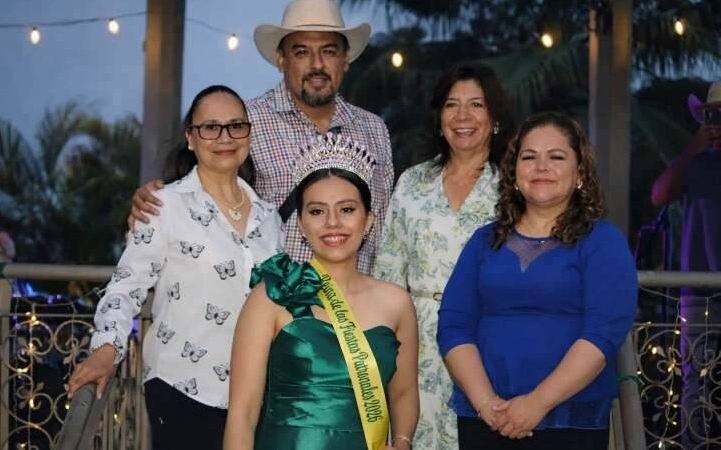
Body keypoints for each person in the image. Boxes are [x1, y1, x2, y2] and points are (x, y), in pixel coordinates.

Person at [67, 85, 283, 450]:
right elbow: (126, 286)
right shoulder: (164, 206)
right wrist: (106, 348)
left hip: (255, 396)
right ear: (190, 138)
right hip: (182, 386)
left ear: (249, 133)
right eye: (210, 127)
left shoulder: (269, 218)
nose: (225, 137)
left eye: (235, 126)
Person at [129, 0, 393, 274]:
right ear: (281, 60)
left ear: (345, 59)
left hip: (354, 309)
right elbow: (195, 201)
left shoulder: (373, 129)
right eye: (302, 52)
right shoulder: (243, 124)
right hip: (274, 307)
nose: (317, 64)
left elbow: (384, 234)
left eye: (328, 51)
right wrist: (154, 200)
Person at [437, 112, 638, 449]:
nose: (541, 166)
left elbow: (603, 334)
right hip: (486, 418)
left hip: (570, 420)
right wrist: (486, 402)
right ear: (514, 174)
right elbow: (454, 325)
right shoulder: (483, 242)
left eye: (556, 157)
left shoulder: (603, 242)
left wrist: (537, 403)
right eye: (529, 157)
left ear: (580, 174)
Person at [223, 134, 419, 450]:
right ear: (300, 223)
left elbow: (404, 391)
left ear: (368, 220)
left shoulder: (396, 302)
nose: (332, 223)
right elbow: (242, 415)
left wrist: (403, 441)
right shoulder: (272, 295)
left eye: (346, 209)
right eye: (316, 211)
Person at [372, 62, 515, 449]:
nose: (463, 116)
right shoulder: (413, 181)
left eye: (476, 105)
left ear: (495, 117)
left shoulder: (515, 186)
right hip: (412, 341)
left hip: (485, 339)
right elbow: (388, 270)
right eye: (452, 105)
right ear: (439, 118)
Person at [651, 80, 721, 448]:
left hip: (701, 287)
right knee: (695, 381)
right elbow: (660, 193)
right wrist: (697, 146)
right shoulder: (697, 164)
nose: (716, 124)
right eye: (711, 116)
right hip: (698, 289)